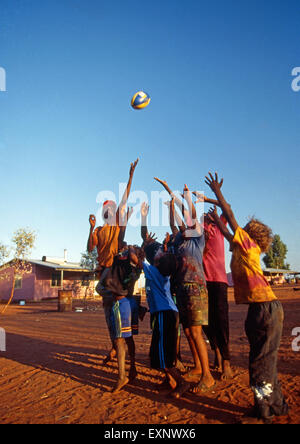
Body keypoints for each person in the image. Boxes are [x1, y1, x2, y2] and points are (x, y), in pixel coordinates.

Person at [205, 172, 289, 424]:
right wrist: (214, 220)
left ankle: (264, 412)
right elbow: (227, 230)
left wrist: (218, 193)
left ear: (252, 234)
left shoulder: (248, 244)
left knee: (260, 364)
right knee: (264, 360)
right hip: (262, 309)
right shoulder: (242, 246)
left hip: (265, 309)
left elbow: (230, 218)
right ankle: (277, 405)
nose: (239, 230)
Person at [154, 179, 215, 393]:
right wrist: (171, 202)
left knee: (196, 333)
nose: (184, 225)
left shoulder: (197, 239)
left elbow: (192, 217)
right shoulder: (180, 240)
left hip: (195, 287)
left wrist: (186, 198)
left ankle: (208, 377)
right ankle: (199, 368)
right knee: (189, 332)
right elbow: (174, 223)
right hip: (182, 289)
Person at [194, 191, 233, 379]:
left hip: (219, 281)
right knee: (205, 322)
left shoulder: (220, 226)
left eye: (209, 214)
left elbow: (227, 206)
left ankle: (226, 361)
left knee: (222, 321)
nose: (206, 216)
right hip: (203, 282)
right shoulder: (200, 230)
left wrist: (206, 199)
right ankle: (216, 350)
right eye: (205, 216)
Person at [143, 251, 191, 398]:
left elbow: (136, 259)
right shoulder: (161, 272)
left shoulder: (153, 271)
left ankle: (181, 382)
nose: (157, 252)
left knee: (163, 353)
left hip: (165, 314)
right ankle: (169, 379)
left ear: (158, 263)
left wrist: (140, 248)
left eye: (160, 254)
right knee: (157, 351)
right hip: (165, 313)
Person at [100, 245, 145, 393]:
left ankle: (121, 376)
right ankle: (132, 368)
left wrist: (131, 248)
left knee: (119, 340)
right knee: (129, 338)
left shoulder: (128, 263)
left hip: (121, 304)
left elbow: (131, 256)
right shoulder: (136, 268)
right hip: (129, 302)